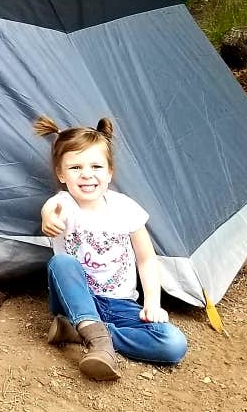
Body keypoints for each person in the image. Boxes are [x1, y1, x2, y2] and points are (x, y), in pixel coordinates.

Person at [34, 116, 188, 380]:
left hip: (121, 304)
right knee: (61, 264)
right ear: (61, 174)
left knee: (173, 343)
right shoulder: (63, 204)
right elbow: (50, 209)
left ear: (109, 172)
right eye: (75, 167)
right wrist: (48, 218)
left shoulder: (126, 207)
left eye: (96, 166)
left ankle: (78, 331)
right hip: (77, 301)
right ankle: (98, 342)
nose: (86, 174)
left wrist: (152, 302)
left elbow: (146, 259)